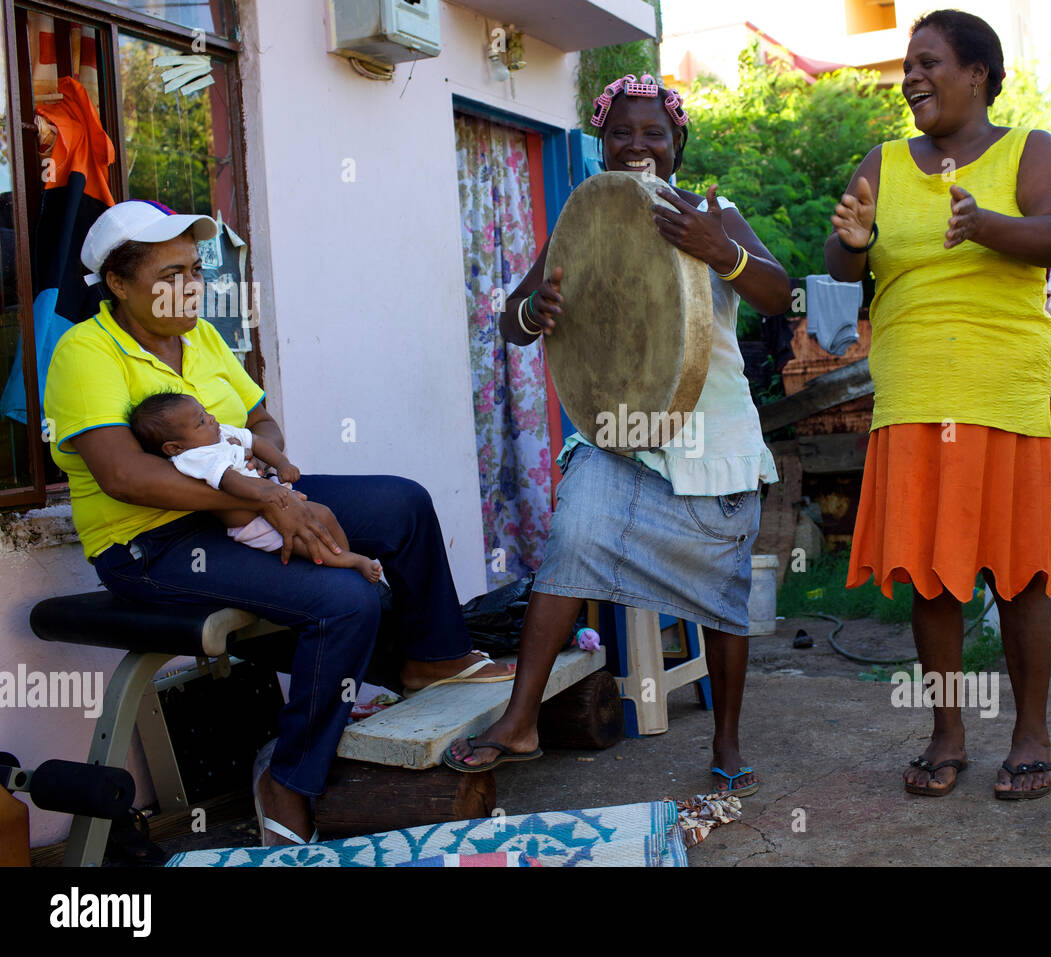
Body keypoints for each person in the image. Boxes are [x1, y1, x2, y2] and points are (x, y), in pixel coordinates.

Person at [43, 199, 513, 846]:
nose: (188, 289)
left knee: (402, 503)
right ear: (118, 285)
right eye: (166, 276)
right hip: (150, 543)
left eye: (194, 271)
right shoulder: (85, 351)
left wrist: (270, 482)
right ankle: (288, 778)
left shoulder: (201, 338)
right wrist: (265, 502)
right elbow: (125, 475)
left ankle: (430, 658)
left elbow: (261, 419)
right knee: (346, 598)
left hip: (246, 501)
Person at [443, 74, 791, 796]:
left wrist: (718, 248)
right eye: (622, 133)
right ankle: (520, 720)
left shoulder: (710, 211)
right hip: (620, 439)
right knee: (572, 536)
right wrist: (533, 312)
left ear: (677, 145)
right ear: (601, 144)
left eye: (653, 133)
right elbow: (512, 320)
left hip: (709, 445)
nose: (638, 145)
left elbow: (778, 292)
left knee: (723, 598)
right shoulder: (588, 218)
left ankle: (726, 739)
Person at [826, 10, 1051, 799]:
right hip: (912, 398)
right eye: (907, 65)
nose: (911, 77)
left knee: (1023, 575)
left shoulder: (1027, 149)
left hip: (1002, 393)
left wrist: (986, 225)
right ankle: (947, 731)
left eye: (928, 62)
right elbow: (842, 269)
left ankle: (1032, 733)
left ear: (977, 73)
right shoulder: (882, 160)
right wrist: (857, 238)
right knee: (933, 580)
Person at [128, 391, 383, 581]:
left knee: (324, 515)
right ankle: (351, 562)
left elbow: (256, 440)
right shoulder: (193, 458)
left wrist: (281, 463)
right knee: (306, 545)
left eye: (205, 412)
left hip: (271, 496)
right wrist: (271, 496)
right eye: (201, 422)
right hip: (252, 522)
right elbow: (231, 481)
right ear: (174, 447)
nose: (211, 419)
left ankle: (345, 560)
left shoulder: (219, 433)